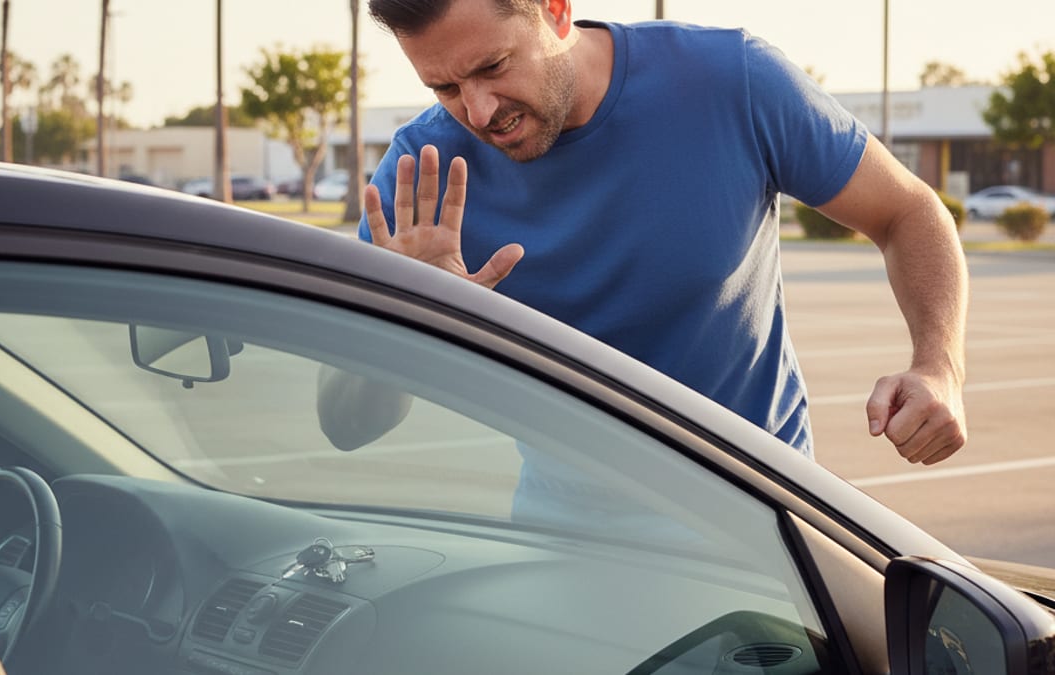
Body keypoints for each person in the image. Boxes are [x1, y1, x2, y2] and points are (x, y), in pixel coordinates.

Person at [321, 0, 968, 519]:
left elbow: (909, 212)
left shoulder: (729, 81)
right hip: (568, 535)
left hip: (763, 515)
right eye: (444, 86)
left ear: (555, 11)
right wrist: (416, 319)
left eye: (492, 67)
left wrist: (939, 366)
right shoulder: (421, 178)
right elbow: (344, 423)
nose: (478, 110)